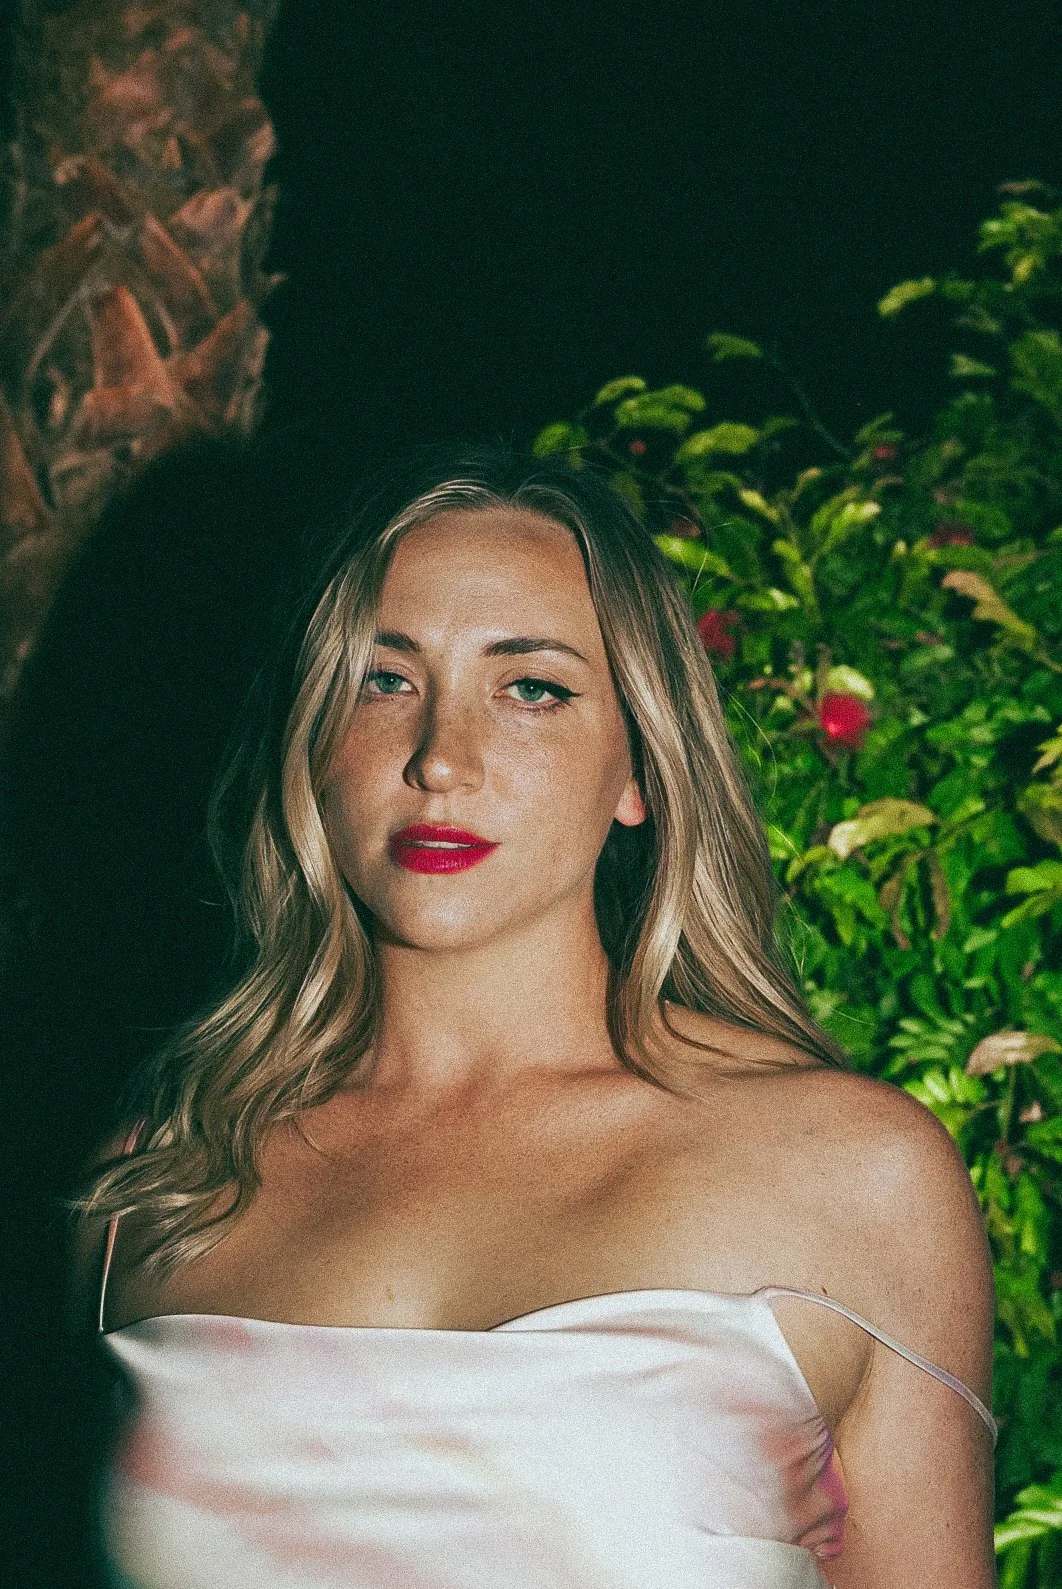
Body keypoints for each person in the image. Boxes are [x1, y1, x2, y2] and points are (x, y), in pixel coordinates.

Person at [72, 448, 997, 1589]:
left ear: (638, 767)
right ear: (311, 739)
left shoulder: (852, 1174)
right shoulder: (157, 1181)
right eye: (383, 678)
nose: (441, 759)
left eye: (533, 689)